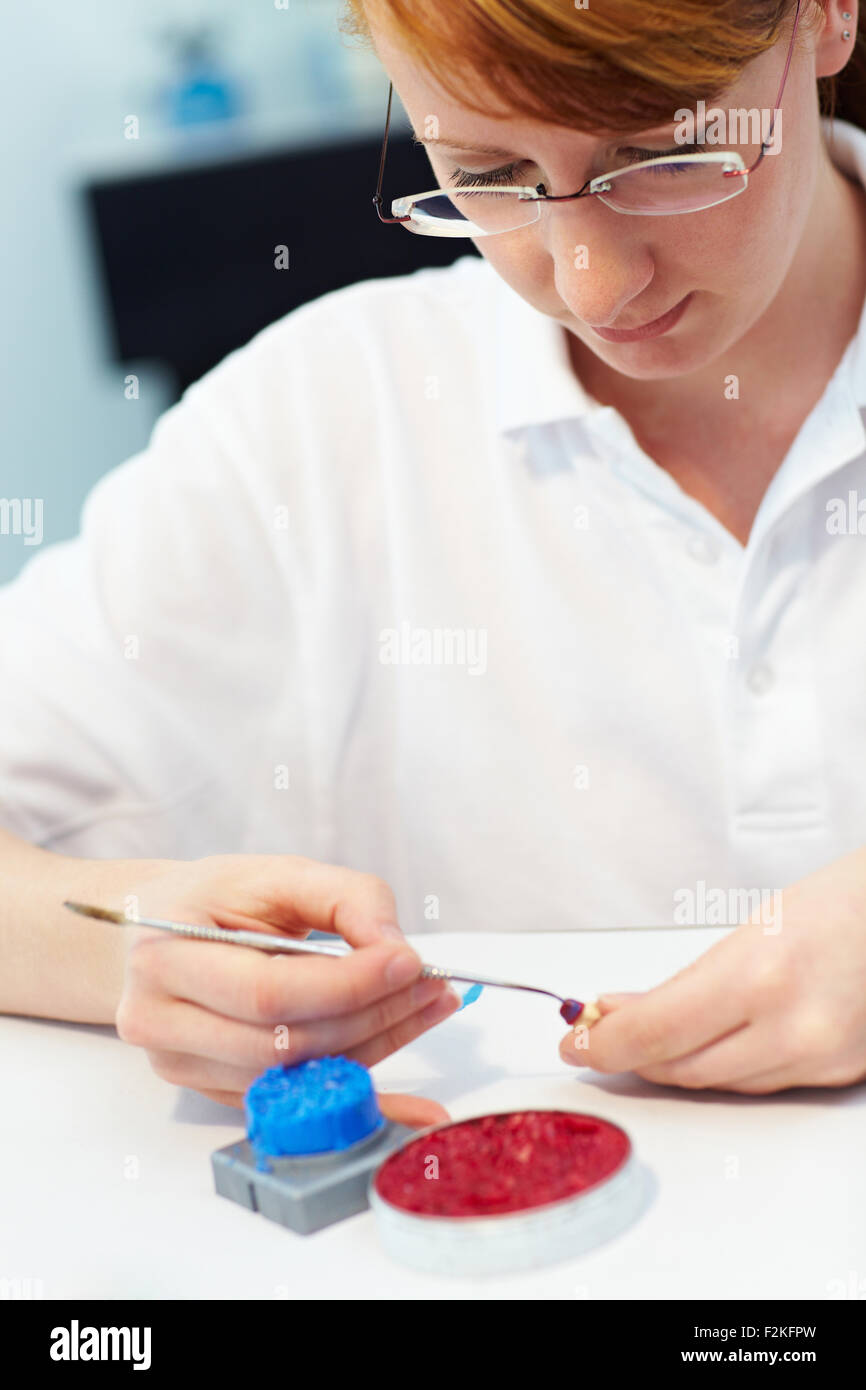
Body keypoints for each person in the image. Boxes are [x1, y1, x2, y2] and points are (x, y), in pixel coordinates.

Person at [1, 0, 865, 1113]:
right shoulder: (325, 422)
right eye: (488, 171)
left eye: (661, 155)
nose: (591, 283)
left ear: (828, 16)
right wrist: (135, 949)